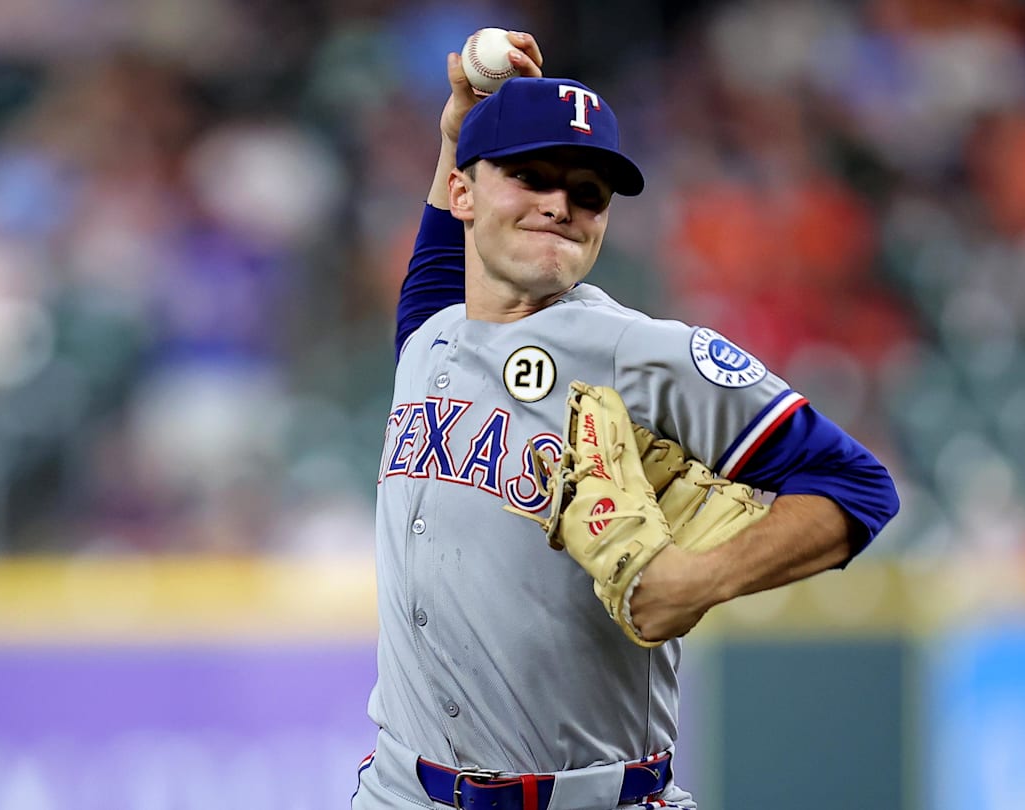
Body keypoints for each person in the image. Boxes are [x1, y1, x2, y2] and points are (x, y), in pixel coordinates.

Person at [353, 31, 900, 810]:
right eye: (530, 177)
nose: (560, 205)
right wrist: (457, 130)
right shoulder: (433, 333)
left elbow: (859, 486)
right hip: (401, 794)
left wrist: (697, 581)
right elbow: (443, 266)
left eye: (587, 192)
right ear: (465, 193)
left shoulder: (641, 352)